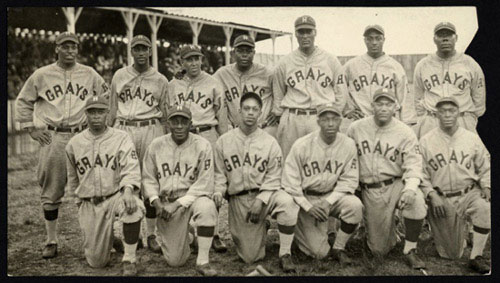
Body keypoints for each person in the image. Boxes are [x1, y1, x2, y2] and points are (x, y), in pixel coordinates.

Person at [14, 31, 109, 259]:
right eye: (65, 46)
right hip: (54, 136)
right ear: (56, 48)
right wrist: (31, 129)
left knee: (93, 184)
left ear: (78, 49)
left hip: (82, 135)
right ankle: (51, 239)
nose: (70, 50)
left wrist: (99, 124)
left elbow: (106, 96)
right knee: (52, 188)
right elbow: (23, 101)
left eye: (73, 46)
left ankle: (99, 235)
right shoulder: (42, 74)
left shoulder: (90, 73)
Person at [213, 92, 299, 272]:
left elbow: (275, 176)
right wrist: (219, 192)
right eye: (246, 109)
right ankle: (262, 226)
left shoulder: (270, 142)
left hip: (266, 194)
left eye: (254, 109)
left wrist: (261, 200)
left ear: (260, 112)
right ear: (239, 111)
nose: (250, 113)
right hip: (239, 199)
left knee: (288, 203)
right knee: (250, 258)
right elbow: (219, 175)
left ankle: (285, 253)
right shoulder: (223, 142)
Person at [346, 88, 427, 269]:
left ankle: (410, 249)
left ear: (395, 107)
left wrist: (411, 188)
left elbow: (414, 164)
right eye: (379, 103)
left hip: (395, 184)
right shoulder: (355, 128)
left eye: (388, 104)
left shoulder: (405, 131)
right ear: (372, 105)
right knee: (379, 250)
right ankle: (385, 228)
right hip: (369, 188)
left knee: (417, 201)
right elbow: (346, 159)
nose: (384, 108)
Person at [65, 95, 144, 276]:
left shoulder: (121, 137)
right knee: (97, 262)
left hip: (114, 195)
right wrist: (78, 203)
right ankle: (112, 238)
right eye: (92, 112)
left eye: (100, 111)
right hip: (89, 202)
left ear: (107, 113)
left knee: (134, 206)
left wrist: (128, 190)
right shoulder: (73, 144)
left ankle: (129, 259)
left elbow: (131, 168)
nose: (96, 116)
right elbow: (73, 179)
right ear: (86, 114)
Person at [108, 35, 169, 253]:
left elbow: (166, 112)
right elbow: (112, 108)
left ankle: (151, 234)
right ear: (131, 51)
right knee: (123, 179)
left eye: (145, 48)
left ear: (150, 51)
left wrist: (166, 139)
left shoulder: (161, 79)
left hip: (151, 127)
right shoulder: (119, 75)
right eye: (137, 49)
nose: (141, 52)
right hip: (124, 128)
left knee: (151, 180)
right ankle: (122, 233)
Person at [142, 104, 219, 276]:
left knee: (207, 206)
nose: (178, 126)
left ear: (190, 124)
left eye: (183, 122)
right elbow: (148, 178)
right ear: (168, 124)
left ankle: (203, 261)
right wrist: (156, 203)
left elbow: (205, 183)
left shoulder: (203, 145)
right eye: (174, 121)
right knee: (175, 261)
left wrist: (177, 204)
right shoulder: (156, 145)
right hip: (166, 204)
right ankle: (189, 235)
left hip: (191, 200)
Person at [281, 103, 363, 265]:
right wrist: (307, 206)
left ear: (340, 121)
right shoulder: (302, 145)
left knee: (355, 206)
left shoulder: (348, 144)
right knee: (319, 253)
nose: (330, 124)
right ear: (317, 121)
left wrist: (328, 202)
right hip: (306, 198)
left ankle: (339, 248)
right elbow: (290, 183)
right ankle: (299, 233)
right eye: (325, 119)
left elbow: (349, 181)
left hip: (331, 197)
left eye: (334, 119)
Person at [166, 44, 228, 252]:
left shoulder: (213, 82)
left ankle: (216, 232)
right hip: (183, 137)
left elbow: (222, 114)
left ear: (202, 60)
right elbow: (168, 114)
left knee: (210, 184)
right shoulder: (173, 85)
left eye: (197, 59)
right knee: (186, 182)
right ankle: (190, 231)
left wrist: (222, 140)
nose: (194, 63)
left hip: (207, 132)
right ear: (181, 62)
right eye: (189, 59)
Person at [419, 97, 490, 274]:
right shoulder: (426, 141)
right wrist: (431, 194)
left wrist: (487, 187)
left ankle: (476, 256)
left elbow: (485, 166)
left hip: (469, 193)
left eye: (451, 110)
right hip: (442, 199)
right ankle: (453, 233)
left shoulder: (472, 138)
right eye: (443, 111)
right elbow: (419, 173)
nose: (447, 114)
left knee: (485, 206)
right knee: (451, 254)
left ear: (458, 112)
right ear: (436, 114)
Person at [272, 15, 347, 159]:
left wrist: (331, 116)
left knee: (322, 162)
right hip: (293, 119)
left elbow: (341, 94)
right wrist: (282, 118)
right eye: (301, 32)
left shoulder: (330, 60)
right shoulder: (285, 62)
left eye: (309, 31)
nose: (305, 36)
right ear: (296, 34)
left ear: (315, 32)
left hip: (320, 117)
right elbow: (278, 94)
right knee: (289, 162)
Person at [413, 22, 486, 138]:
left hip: (462, 120)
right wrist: (425, 118)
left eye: (449, 35)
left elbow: (479, 101)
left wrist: (469, 119)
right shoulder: (423, 65)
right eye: (441, 35)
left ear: (456, 38)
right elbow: (417, 98)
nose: (445, 39)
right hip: (432, 121)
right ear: (434, 39)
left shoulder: (470, 64)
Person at [343, 24, 417, 130]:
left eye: (378, 38)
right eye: (370, 39)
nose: (374, 42)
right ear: (365, 41)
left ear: (384, 40)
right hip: (361, 123)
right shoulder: (351, 66)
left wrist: (406, 126)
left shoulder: (395, 66)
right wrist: (347, 110)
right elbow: (338, 89)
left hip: (388, 123)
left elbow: (404, 99)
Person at [213, 34, 279, 137]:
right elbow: (206, 87)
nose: (244, 55)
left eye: (248, 51)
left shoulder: (267, 73)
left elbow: (282, 91)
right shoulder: (221, 74)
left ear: (254, 53)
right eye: (240, 51)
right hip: (234, 132)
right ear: (233, 53)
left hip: (262, 130)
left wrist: (276, 111)